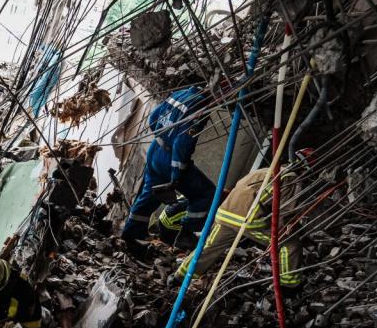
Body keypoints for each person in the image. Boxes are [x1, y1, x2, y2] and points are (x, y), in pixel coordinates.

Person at [170, 151, 310, 290]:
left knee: (209, 247)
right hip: (248, 220)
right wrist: (289, 231)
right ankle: (289, 285)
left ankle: (179, 277)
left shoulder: (265, 170)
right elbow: (284, 213)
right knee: (289, 242)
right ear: (304, 169)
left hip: (225, 214)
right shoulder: (290, 178)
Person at [121, 85, 215, 251]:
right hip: (170, 158)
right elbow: (182, 143)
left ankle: (130, 235)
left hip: (155, 150)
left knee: (149, 195)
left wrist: (162, 136)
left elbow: (153, 118)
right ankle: (186, 234)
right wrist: (176, 174)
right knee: (206, 193)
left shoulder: (179, 93)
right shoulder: (200, 105)